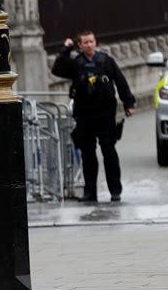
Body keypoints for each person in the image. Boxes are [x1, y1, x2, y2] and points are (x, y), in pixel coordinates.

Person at [52, 30, 136, 202]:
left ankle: (115, 191)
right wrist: (66, 49)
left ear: (95, 42)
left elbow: (121, 82)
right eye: (86, 42)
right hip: (84, 115)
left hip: (105, 114)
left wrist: (128, 103)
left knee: (109, 152)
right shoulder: (76, 63)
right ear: (80, 45)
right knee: (87, 155)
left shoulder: (106, 61)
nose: (90, 45)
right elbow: (57, 69)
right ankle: (90, 193)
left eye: (92, 41)